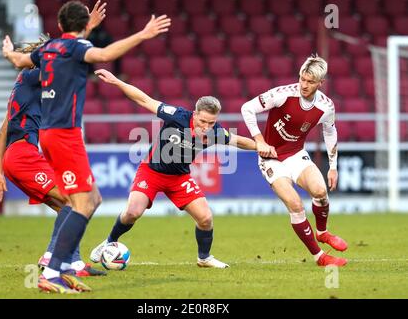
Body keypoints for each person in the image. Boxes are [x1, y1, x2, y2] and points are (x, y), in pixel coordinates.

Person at [2, 0, 171, 293]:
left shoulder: (49, 49)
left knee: (92, 198)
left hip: (50, 136)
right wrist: (143, 35)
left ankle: (66, 266)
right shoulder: (76, 49)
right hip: (65, 136)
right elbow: (104, 53)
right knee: (82, 204)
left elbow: (18, 61)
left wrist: (7, 51)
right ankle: (52, 271)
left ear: (60, 25)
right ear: (82, 27)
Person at [89, 69, 257, 268]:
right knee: (132, 213)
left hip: (179, 178)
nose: (206, 126)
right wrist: (117, 82)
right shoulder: (176, 116)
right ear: (194, 114)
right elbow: (144, 99)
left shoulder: (215, 132)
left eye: (211, 122)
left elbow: (238, 141)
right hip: (151, 171)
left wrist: (261, 146)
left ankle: (204, 258)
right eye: (203, 121)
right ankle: (108, 242)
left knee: (205, 218)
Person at [0, 37, 105, 278]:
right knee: (76, 200)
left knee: (68, 205)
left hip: (16, 156)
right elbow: (59, 70)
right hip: (23, 155)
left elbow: (2, 131)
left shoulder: (22, 89)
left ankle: (73, 263)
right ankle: (53, 256)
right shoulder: (32, 77)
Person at [241, 54, 348, 267]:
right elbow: (247, 108)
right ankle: (320, 257)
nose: (304, 85)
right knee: (296, 204)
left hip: (296, 154)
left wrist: (333, 167)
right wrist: (259, 140)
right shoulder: (282, 94)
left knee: (320, 191)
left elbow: (330, 132)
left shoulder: (326, 106)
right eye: (302, 79)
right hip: (270, 158)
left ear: (320, 83)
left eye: (310, 82)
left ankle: (322, 232)